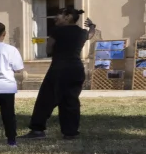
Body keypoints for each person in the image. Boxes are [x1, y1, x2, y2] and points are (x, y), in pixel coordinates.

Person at [26, 8, 95, 140]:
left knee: (45, 100)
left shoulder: (56, 31)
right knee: (71, 100)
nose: (55, 17)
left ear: (68, 16)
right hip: (76, 69)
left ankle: (37, 130)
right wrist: (92, 25)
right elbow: (91, 34)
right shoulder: (81, 32)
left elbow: (49, 49)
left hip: (59, 69)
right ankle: (70, 132)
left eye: (59, 15)